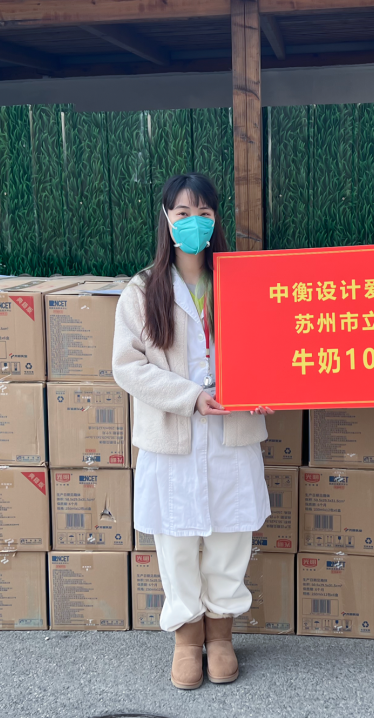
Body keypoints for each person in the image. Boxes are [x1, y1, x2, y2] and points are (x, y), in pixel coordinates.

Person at [112, 173, 273, 690]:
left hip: (233, 433)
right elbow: (127, 367)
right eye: (183, 213)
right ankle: (186, 639)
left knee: (230, 539)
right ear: (166, 219)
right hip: (173, 436)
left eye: (204, 213)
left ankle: (221, 636)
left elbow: (272, 348)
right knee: (177, 542)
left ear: (216, 219)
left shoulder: (240, 281)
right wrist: (188, 397)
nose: (194, 223)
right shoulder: (142, 290)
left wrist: (269, 386)